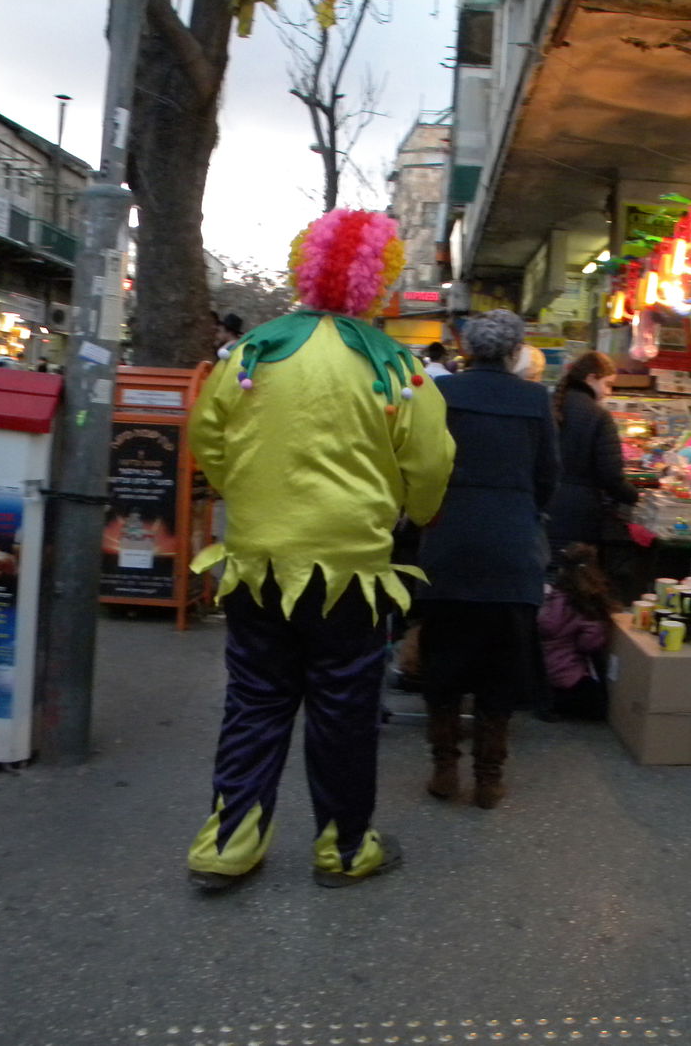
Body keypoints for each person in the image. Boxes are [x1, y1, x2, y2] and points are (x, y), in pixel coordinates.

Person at [185, 209, 454, 891]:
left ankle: (230, 842)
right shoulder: (396, 367)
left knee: (255, 700)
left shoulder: (251, 353)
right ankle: (341, 848)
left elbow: (209, 440)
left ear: (303, 267)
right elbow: (428, 464)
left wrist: (247, 496)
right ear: (380, 282)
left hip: (253, 562)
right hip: (351, 575)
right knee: (343, 709)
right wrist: (412, 511)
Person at [418, 308, 559, 810]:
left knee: (444, 661)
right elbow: (548, 476)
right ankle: (489, 778)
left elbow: (422, 463)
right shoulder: (534, 399)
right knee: (502, 666)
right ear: (516, 350)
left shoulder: (443, 394)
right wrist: (520, 512)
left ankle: (443, 769)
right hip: (511, 549)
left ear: (468, 348)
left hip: (447, 544)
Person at [546, 350, 639, 553]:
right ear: (591, 379)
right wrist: (636, 497)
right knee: (575, 577)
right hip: (580, 513)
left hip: (542, 504)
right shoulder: (598, 415)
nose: (609, 392)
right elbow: (611, 476)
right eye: (607, 384)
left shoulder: (547, 404)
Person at [537, 542, 618, 721]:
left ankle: (543, 700)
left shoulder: (552, 596)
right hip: (566, 676)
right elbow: (589, 644)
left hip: (540, 673)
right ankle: (555, 703)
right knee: (598, 705)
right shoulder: (586, 603)